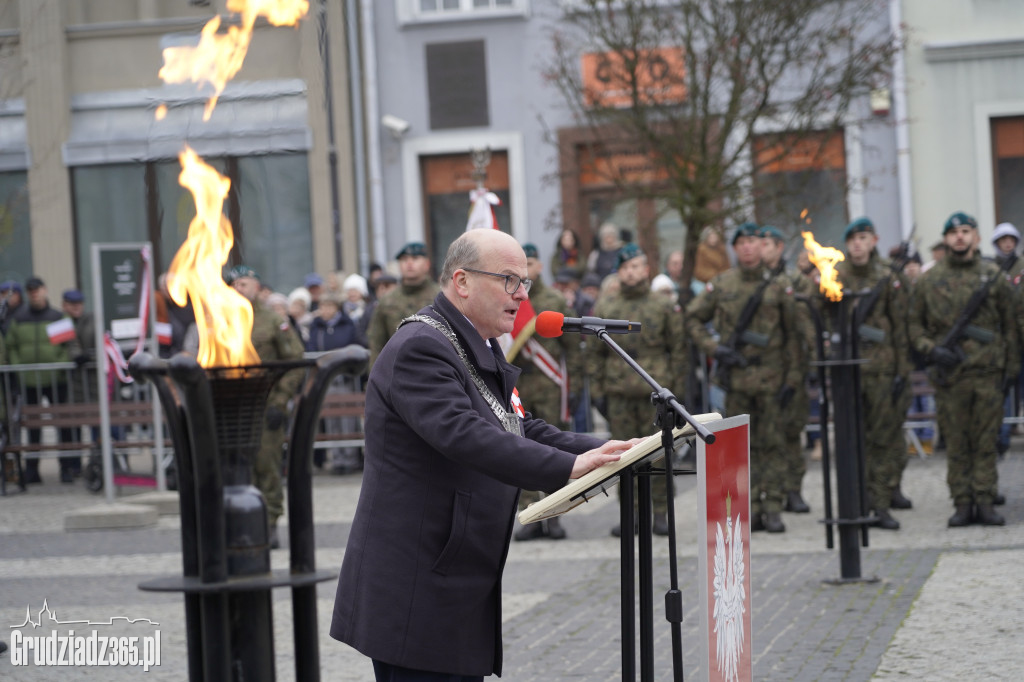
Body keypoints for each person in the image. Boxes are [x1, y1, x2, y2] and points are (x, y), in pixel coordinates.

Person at [330, 229, 634, 680]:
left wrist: (599, 449)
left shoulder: (476, 341)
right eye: (509, 280)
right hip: (416, 584)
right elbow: (465, 434)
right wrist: (566, 467)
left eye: (526, 282)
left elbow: (517, 422)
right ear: (462, 281)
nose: (521, 295)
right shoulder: (422, 346)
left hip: (451, 576)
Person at [685, 223, 802, 533]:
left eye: (754, 241)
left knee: (773, 444)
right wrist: (716, 349)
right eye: (743, 243)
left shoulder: (779, 285)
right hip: (736, 381)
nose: (749, 248)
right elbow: (693, 319)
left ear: (762, 246)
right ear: (735, 248)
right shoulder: (722, 285)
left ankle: (773, 506)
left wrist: (793, 379)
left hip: (772, 377)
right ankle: (747, 509)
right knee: (739, 449)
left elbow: (794, 336)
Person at [909, 212, 1018, 527]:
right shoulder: (929, 280)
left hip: (987, 374)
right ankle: (962, 502)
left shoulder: (993, 277)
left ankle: (984, 501)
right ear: (945, 239)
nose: (959, 237)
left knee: (986, 443)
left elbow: (1010, 326)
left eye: (966, 231)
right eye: (954, 232)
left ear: (977, 238)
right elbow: (914, 327)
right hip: (950, 378)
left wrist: (1009, 370)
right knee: (956, 443)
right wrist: (933, 350)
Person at [587, 243, 687, 537]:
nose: (631, 273)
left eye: (636, 266)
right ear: (619, 272)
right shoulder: (607, 306)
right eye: (625, 268)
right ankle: (629, 514)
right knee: (621, 456)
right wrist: (598, 393)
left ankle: (659, 513)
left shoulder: (663, 304)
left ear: (646, 269)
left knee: (658, 453)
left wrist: (676, 392)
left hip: (654, 393)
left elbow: (678, 350)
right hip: (618, 394)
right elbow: (594, 355)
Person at [835, 218, 912, 529]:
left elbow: (901, 328)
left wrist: (901, 373)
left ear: (874, 240)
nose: (857, 243)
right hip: (847, 373)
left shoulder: (888, 277)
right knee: (852, 441)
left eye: (863, 237)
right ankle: (856, 502)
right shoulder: (835, 276)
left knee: (882, 439)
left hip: (881, 371)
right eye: (852, 238)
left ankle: (879, 502)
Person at [226, 266, 305, 548]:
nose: (238, 288)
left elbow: (295, 362)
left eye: (244, 283)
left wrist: (281, 400)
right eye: (234, 283)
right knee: (236, 466)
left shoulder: (273, 320)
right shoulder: (223, 320)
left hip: (266, 405)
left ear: (257, 287)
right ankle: (242, 523)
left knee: (265, 464)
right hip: (233, 407)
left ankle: (269, 522)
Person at [511, 243, 583, 542]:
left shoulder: (554, 300)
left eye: (531, 263)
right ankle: (530, 513)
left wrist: (575, 386)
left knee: (554, 453)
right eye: (520, 264)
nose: (526, 269)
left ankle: (555, 515)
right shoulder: (508, 298)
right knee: (520, 451)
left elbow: (574, 349)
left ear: (540, 266)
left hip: (551, 388)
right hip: (519, 388)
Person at [760, 225, 816, 516]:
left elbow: (806, 330)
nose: (760, 248)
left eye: (766, 243)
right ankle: (770, 492)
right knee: (764, 438)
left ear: (780, 247)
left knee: (792, 434)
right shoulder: (754, 282)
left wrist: (804, 370)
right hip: (761, 373)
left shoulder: (796, 282)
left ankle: (794, 490)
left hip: (792, 369)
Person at [7, 277, 80, 484]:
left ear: (45, 291)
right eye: (30, 291)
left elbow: (68, 346)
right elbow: (12, 347)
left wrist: (59, 365)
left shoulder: (57, 316)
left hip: (56, 379)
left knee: (63, 425)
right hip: (29, 380)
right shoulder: (19, 318)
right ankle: (32, 470)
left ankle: (66, 469)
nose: (34, 294)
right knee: (33, 427)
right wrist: (20, 368)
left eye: (37, 290)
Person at [366, 242, 440, 367]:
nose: (409, 263)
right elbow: (377, 343)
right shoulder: (387, 300)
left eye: (415, 259)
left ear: (427, 264)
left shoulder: (440, 297)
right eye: (404, 260)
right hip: (397, 370)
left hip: (435, 367)